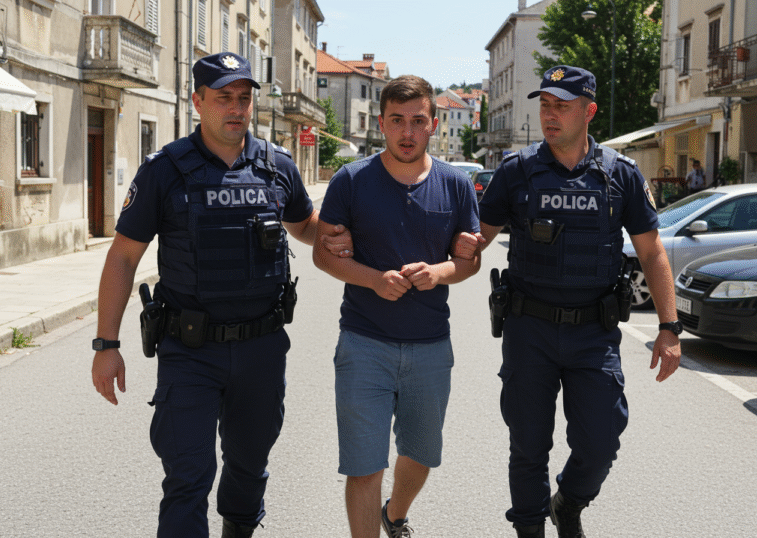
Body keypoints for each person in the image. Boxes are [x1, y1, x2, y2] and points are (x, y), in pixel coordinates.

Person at [90, 52, 353, 538]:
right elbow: (123, 257)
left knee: (248, 468)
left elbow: (304, 226)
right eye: (223, 98)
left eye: (244, 98)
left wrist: (339, 236)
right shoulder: (165, 171)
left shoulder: (277, 167)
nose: (236, 108)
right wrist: (107, 345)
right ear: (197, 101)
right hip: (189, 350)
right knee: (187, 478)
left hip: (262, 347)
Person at [456, 66, 682, 538]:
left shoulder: (619, 174)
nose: (550, 114)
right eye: (545, 104)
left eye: (562, 105)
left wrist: (669, 328)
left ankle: (571, 500)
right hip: (529, 328)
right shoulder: (517, 172)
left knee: (601, 438)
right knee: (528, 445)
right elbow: (477, 238)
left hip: (592, 332)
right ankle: (530, 529)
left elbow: (651, 251)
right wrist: (455, 248)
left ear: (589, 111)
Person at [312, 75, 481, 538]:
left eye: (417, 121)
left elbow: (469, 262)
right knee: (364, 464)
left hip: (430, 346)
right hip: (363, 343)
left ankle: (395, 512)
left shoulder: (456, 184)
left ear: (433, 124)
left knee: (422, 453)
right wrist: (373, 279)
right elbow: (322, 254)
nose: (407, 132)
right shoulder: (351, 181)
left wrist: (440, 273)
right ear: (382, 124)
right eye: (397, 121)